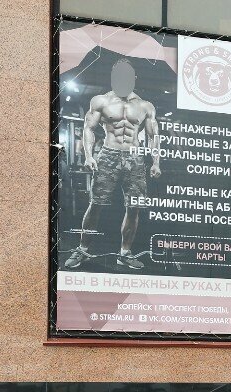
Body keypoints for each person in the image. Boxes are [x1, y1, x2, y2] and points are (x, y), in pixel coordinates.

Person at [65, 59, 161, 271]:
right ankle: (83, 249)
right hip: (108, 155)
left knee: (134, 207)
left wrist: (156, 162)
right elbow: (88, 128)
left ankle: (124, 254)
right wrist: (88, 156)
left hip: (135, 158)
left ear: (134, 78)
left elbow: (153, 136)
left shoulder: (145, 106)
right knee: (96, 204)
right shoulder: (101, 101)